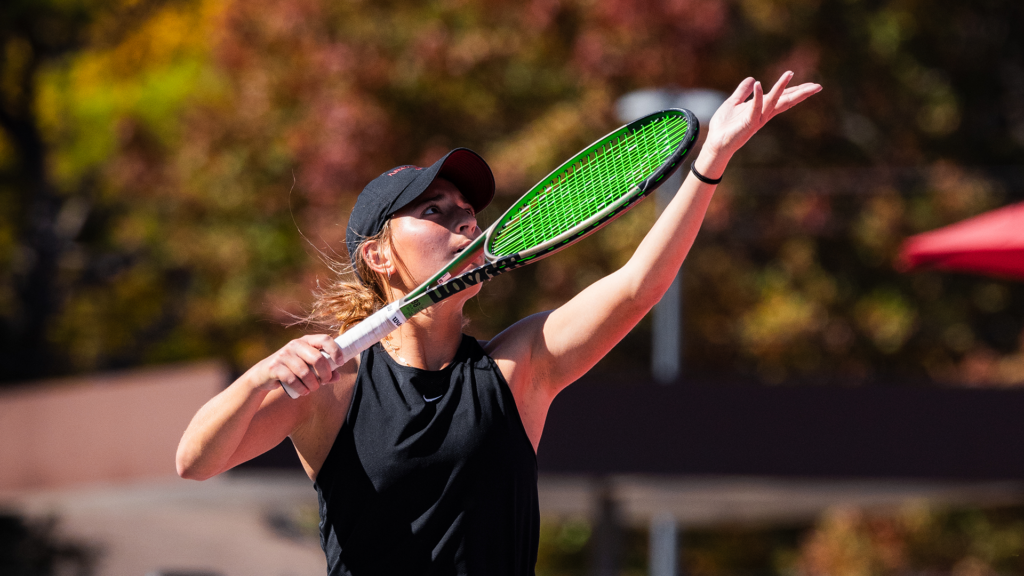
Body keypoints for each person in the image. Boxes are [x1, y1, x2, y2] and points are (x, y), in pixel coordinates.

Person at [176, 72, 821, 575]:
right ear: (378, 254)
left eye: (467, 210)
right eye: (435, 210)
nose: (465, 221)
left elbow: (635, 289)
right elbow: (195, 462)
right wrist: (260, 377)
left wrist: (710, 161)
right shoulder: (333, 388)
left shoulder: (518, 367)